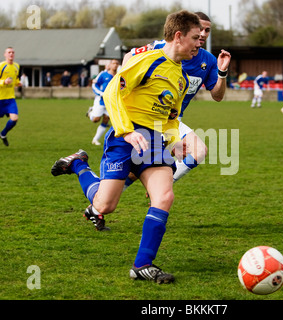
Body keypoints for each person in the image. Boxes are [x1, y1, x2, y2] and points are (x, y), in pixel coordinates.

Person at [51, 10, 202, 284]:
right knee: (105, 205)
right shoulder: (148, 60)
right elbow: (112, 92)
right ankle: (78, 164)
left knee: (164, 197)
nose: (199, 43)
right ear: (178, 36)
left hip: (154, 144)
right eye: (195, 37)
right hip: (124, 138)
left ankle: (142, 265)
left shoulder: (180, 78)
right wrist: (127, 131)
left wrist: (174, 142)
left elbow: (171, 118)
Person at [122, 11, 231, 186]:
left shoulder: (208, 60)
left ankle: (98, 197)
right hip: (145, 118)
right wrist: (124, 85)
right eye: (200, 29)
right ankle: (95, 193)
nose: (203, 34)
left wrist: (222, 72)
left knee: (197, 152)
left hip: (171, 121)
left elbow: (218, 96)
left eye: (207, 30)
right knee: (135, 168)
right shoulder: (159, 47)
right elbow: (129, 56)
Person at [0, 47, 22, 150]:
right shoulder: (1, 66)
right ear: (5, 54)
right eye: (9, 52)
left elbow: (15, 79)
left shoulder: (16, 66)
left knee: (14, 118)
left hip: (10, 98)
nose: (11, 54)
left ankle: (3, 134)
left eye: (13, 52)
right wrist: (3, 82)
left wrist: (17, 83)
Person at [86, 59, 119, 145]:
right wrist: (100, 93)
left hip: (111, 103)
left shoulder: (119, 76)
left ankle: (95, 140)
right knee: (96, 120)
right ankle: (90, 113)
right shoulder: (103, 74)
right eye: (113, 63)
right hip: (101, 101)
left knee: (106, 119)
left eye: (117, 63)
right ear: (110, 65)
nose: (115, 65)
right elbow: (94, 84)